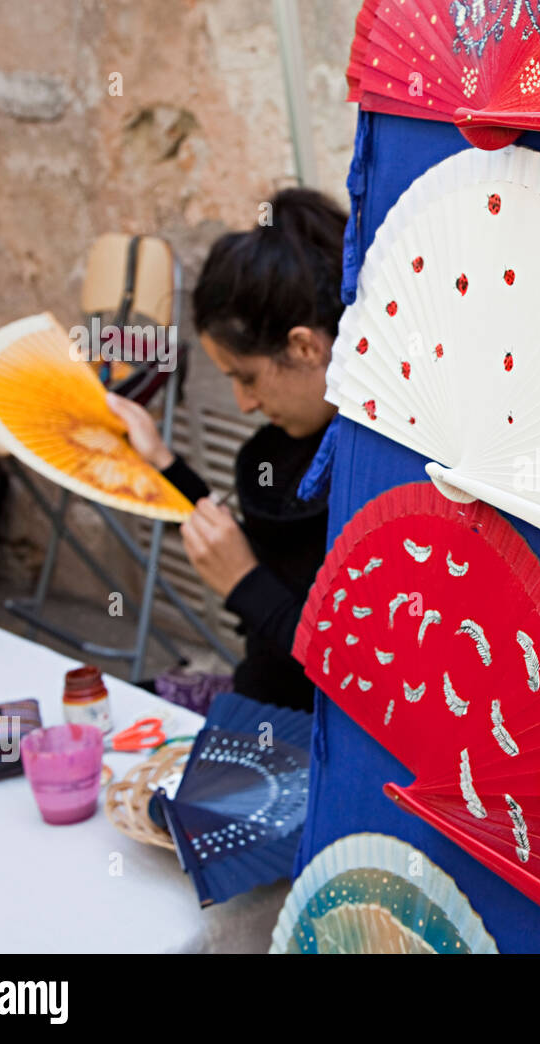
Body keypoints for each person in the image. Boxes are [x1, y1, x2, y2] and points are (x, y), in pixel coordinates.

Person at [107, 188, 346, 711]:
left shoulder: (371, 475)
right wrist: (160, 462)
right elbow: (262, 570)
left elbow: (350, 671)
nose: (242, 404)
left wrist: (244, 582)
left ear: (306, 347)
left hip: (308, 738)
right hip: (255, 694)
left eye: (247, 378)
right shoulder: (286, 452)